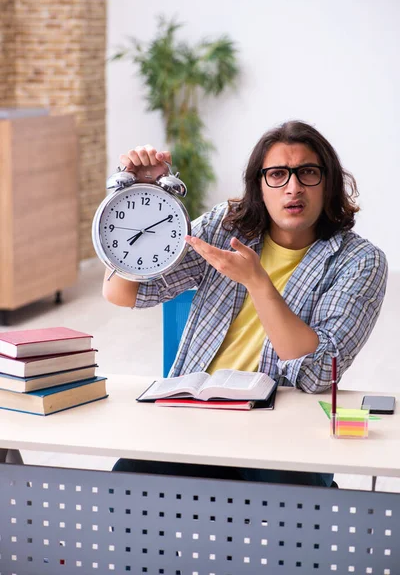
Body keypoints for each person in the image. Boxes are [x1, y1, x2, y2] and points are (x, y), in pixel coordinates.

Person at [103, 120, 388, 486]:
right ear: (259, 185)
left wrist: (257, 282)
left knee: (289, 509)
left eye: (308, 173)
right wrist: (140, 197)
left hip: (284, 434)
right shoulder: (227, 226)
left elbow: (319, 373)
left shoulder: (361, 261)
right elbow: (123, 293)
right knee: (127, 488)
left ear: (328, 183)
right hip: (194, 420)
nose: (294, 187)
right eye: (278, 175)